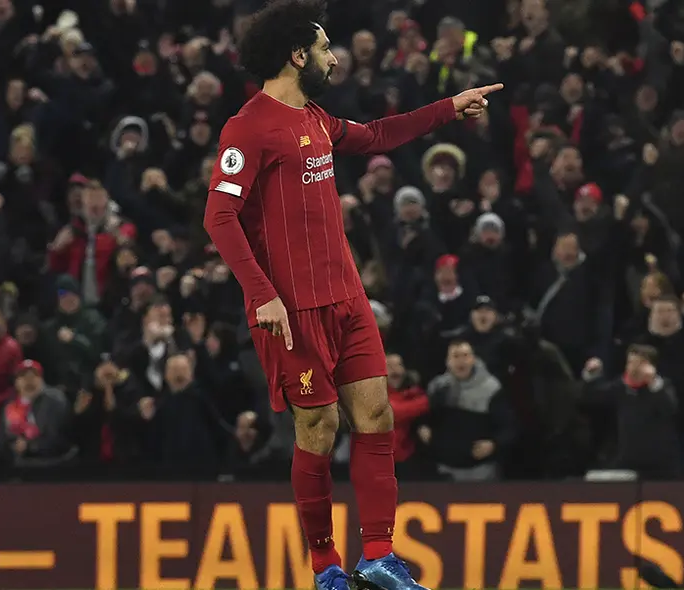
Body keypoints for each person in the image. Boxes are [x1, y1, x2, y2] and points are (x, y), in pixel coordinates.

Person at [202, 1, 502, 589]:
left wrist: (448, 109)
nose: (333, 57)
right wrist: (263, 296)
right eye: (323, 47)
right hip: (292, 309)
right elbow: (219, 217)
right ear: (296, 55)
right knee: (317, 430)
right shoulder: (247, 127)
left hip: (347, 296)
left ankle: (380, 557)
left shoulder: (314, 117)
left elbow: (377, 136)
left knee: (376, 416)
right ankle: (324, 568)